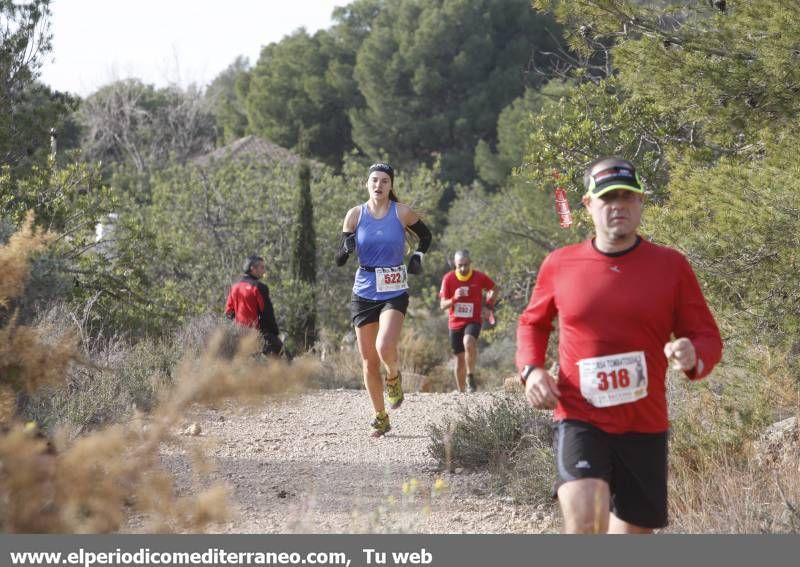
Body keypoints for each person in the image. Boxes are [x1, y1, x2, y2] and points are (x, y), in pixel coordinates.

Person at [515, 157, 723, 534]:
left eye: (628, 197)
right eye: (608, 198)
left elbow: (707, 336)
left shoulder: (670, 266)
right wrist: (531, 371)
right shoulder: (560, 264)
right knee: (586, 523)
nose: (619, 207)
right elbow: (532, 323)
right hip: (580, 417)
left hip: (644, 424)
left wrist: (694, 354)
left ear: (641, 203)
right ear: (588, 205)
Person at [335, 163, 432, 437]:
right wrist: (345, 247)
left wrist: (417, 257)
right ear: (367, 184)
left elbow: (426, 236)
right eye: (374, 180)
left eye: (384, 181)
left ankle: (393, 376)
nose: (379, 185)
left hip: (394, 289)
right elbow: (340, 258)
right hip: (364, 291)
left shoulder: (401, 213)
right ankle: (380, 416)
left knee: (384, 346)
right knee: (368, 362)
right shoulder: (354, 215)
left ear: (391, 186)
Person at [439, 250, 497, 393]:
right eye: (460, 266)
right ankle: (462, 392)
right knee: (459, 359)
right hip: (455, 323)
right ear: (455, 265)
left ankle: (470, 375)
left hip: (473, 319)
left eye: (466, 265)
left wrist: (488, 305)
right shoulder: (448, 279)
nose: (463, 268)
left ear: (470, 263)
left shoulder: (478, 277)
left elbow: (494, 289)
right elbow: (442, 305)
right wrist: (454, 298)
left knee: (469, 342)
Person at [225, 255, 292, 361]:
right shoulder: (259, 287)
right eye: (262, 267)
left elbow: (229, 312)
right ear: (253, 268)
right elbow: (267, 314)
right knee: (286, 359)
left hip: (238, 335)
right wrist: (274, 333)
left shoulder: (234, 286)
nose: (264, 271)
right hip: (257, 334)